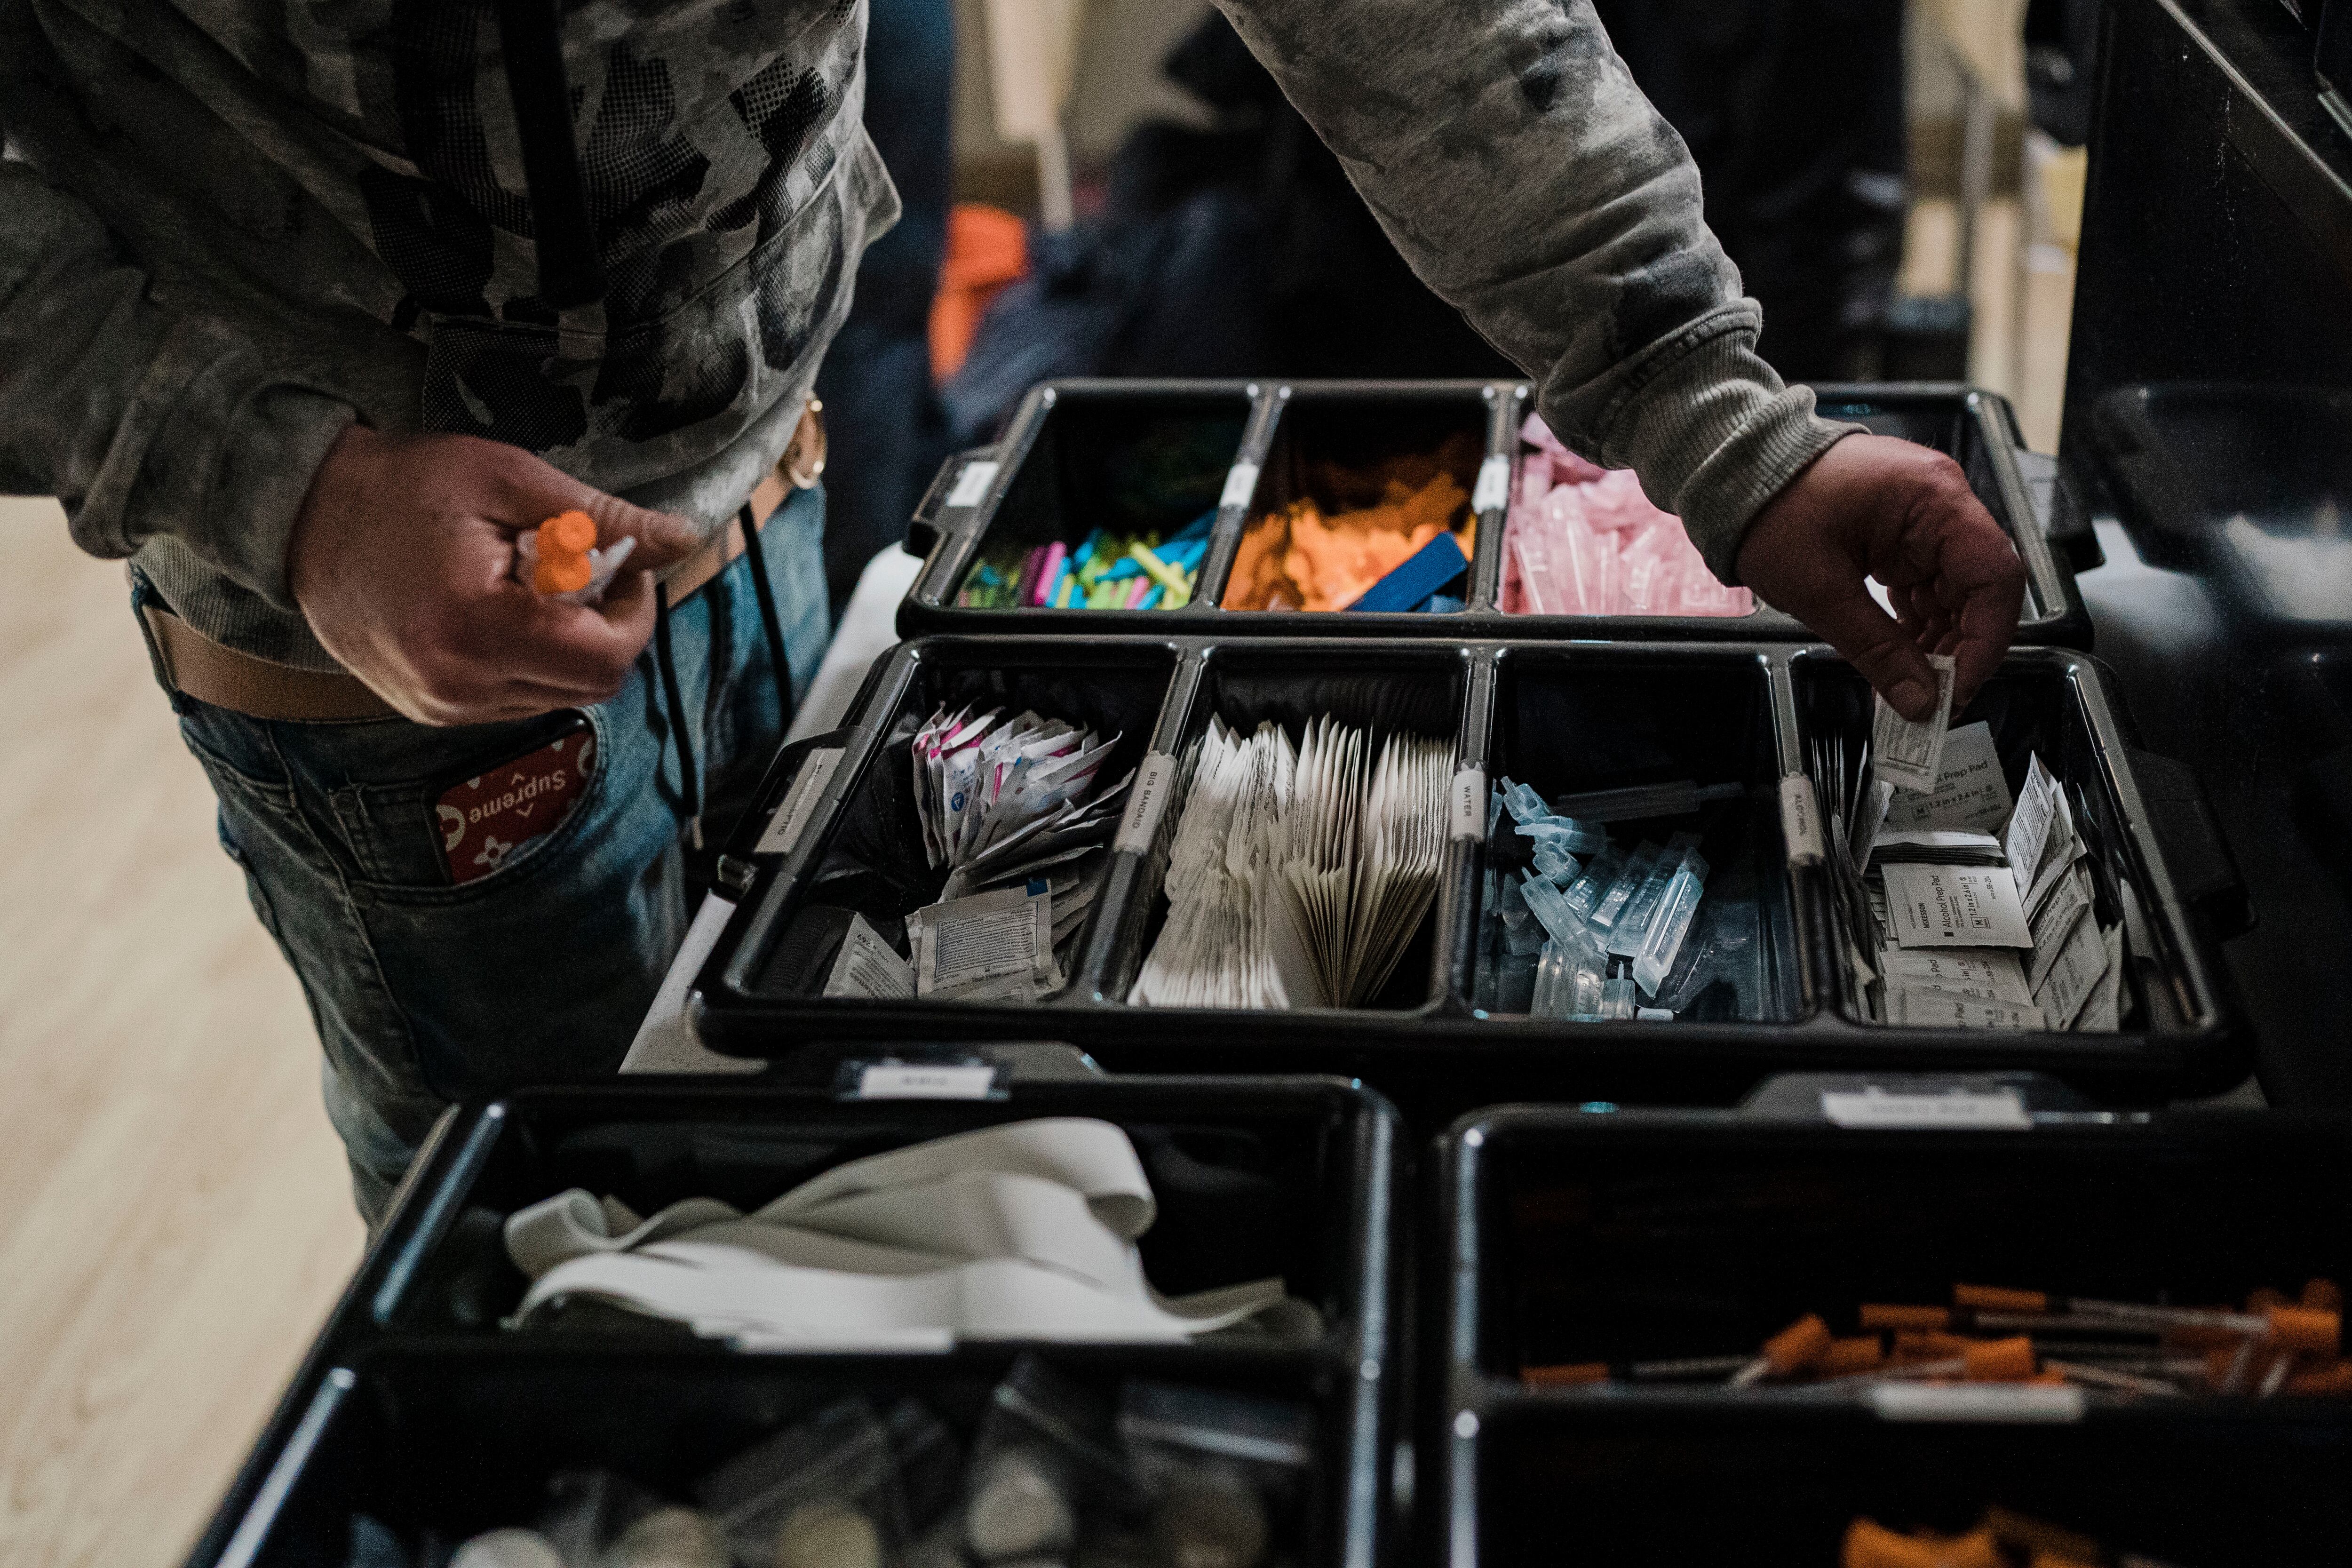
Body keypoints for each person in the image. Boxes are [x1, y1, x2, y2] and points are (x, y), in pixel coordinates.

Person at [0, 0, 2023, 1218]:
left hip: (757, 475)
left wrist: (1705, 406)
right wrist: (289, 489)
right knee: (547, 1257)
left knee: (788, 1165)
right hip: (345, 620)